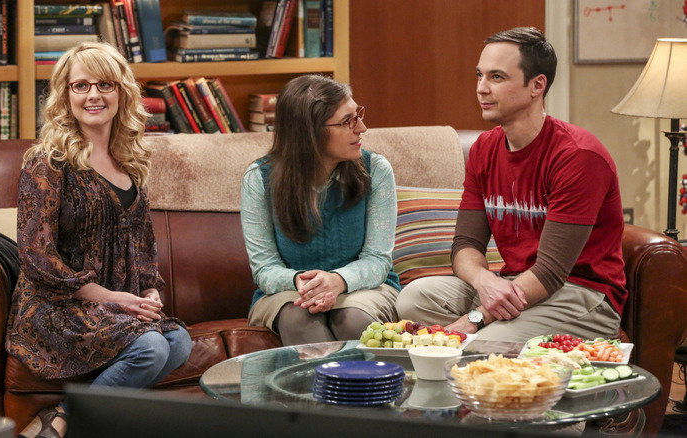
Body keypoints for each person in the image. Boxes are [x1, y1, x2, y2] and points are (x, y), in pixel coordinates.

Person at [5, 42, 192, 438]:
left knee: (179, 342)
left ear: (121, 91)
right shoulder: (47, 162)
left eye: (104, 84)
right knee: (152, 349)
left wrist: (148, 291)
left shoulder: (130, 160)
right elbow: (36, 256)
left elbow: (143, 247)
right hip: (56, 306)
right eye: (81, 86)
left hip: (115, 305)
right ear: (65, 95)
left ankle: (72, 416)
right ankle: (67, 420)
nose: (93, 95)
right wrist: (113, 297)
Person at [396, 27, 627, 343]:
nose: (481, 88)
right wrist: (484, 282)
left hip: (580, 294)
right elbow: (465, 244)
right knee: (414, 298)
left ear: (536, 85)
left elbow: (550, 272)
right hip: (513, 281)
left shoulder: (578, 156)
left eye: (496, 77)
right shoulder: (485, 149)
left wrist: (474, 319)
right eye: (480, 76)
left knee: (488, 344)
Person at [242, 74, 400, 346]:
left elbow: (377, 259)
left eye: (357, 115)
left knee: (351, 318)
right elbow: (265, 268)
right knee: (298, 317)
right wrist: (304, 284)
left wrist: (338, 280)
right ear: (310, 132)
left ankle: (372, 389)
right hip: (290, 291)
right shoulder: (259, 178)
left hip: (364, 288)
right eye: (347, 121)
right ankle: (332, 390)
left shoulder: (376, 169)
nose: (361, 127)